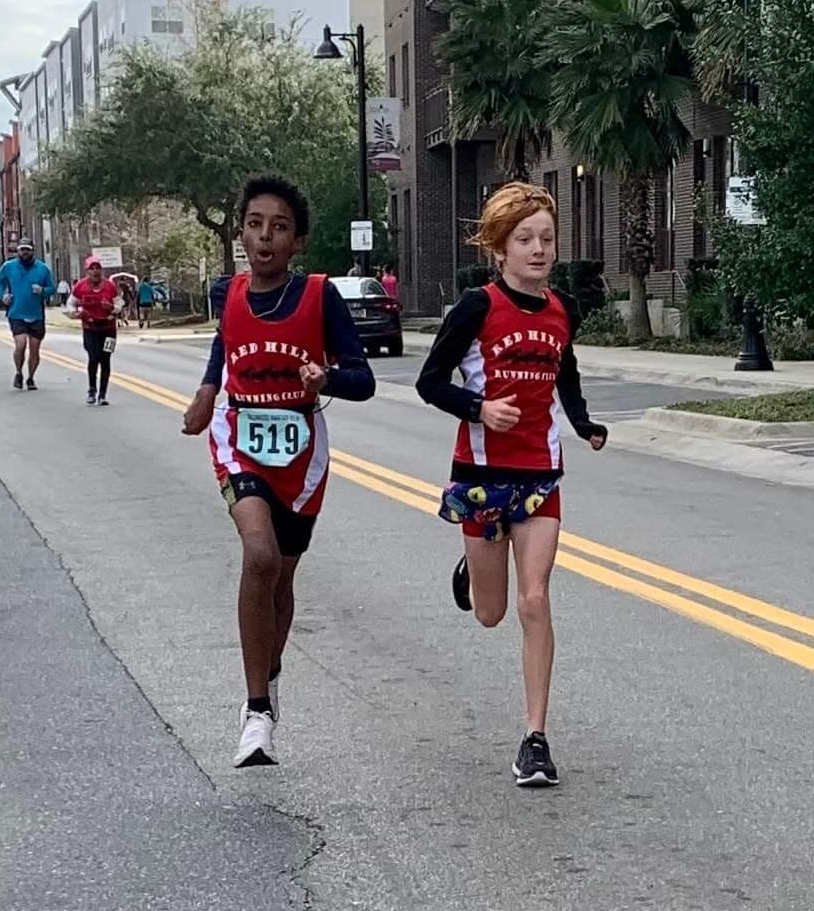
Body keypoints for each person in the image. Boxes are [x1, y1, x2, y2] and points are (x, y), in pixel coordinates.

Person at [416, 182, 607, 789]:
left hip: (538, 474)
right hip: (480, 476)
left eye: (547, 238)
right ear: (500, 249)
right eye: (525, 239)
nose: (539, 249)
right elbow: (429, 382)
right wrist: (479, 410)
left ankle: (536, 739)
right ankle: (474, 569)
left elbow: (566, 372)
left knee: (534, 599)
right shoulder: (477, 308)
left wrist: (582, 423)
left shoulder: (559, 309)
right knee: (491, 613)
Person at [181, 174, 375, 768]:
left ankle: (266, 659)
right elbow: (225, 343)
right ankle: (256, 710)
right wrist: (207, 392)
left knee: (282, 580)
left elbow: (363, 380)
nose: (265, 236)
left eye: (280, 227)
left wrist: (327, 379)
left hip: (300, 454)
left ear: (298, 243)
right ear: (241, 232)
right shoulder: (230, 292)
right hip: (238, 439)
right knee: (259, 556)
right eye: (256, 224)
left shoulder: (321, 297)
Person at [0, 239, 56, 391]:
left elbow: (52, 288)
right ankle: (18, 372)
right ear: (18, 251)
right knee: (20, 345)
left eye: (27, 249)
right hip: (16, 312)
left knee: (34, 350)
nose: (24, 252)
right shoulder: (9, 267)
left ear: (32, 251)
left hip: (36, 314)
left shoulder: (42, 268)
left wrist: (42, 291)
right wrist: (3, 295)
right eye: (21, 250)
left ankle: (31, 377)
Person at [66, 257, 124, 406]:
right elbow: (71, 303)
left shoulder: (110, 286)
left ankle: (102, 394)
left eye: (98, 268)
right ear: (87, 271)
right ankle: (92, 389)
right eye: (92, 268)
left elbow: (119, 303)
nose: (95, 271)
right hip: (90, 328)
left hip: (109, 328)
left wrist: (112, 308)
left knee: (106, 359)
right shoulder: (80, 286)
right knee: (94, 357)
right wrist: (74, 312)